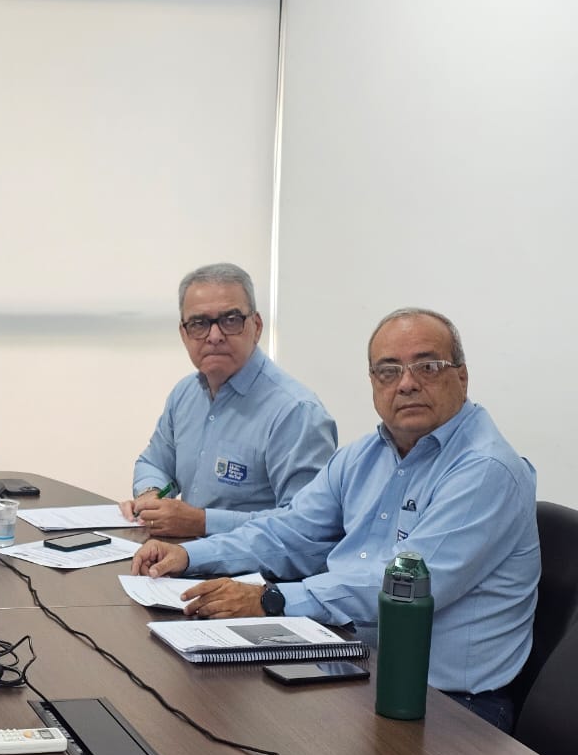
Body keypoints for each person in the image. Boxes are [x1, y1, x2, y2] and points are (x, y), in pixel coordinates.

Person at [131, 308, 540, 730]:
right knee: (206, 712)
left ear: (462, 376)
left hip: (450, 707)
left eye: (427, 367)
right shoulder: (364, 455)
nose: (406, 383)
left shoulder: (485, 470)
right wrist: (190, 555)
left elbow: (402, 586)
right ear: (373, 382)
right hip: (352, 663)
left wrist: (272, 599)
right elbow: (288, 531)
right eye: (388, 371)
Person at [119, 263, 337, 538]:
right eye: (199, 324)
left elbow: (306, 523)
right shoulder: (185, 394)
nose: (214, 336)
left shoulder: (296, 412)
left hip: (251, 564)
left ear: (256, 327)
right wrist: (150, 494)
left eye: (230, 320)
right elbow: (154, 463)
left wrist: (203, 522)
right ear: (184, 334)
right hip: (182, 554)